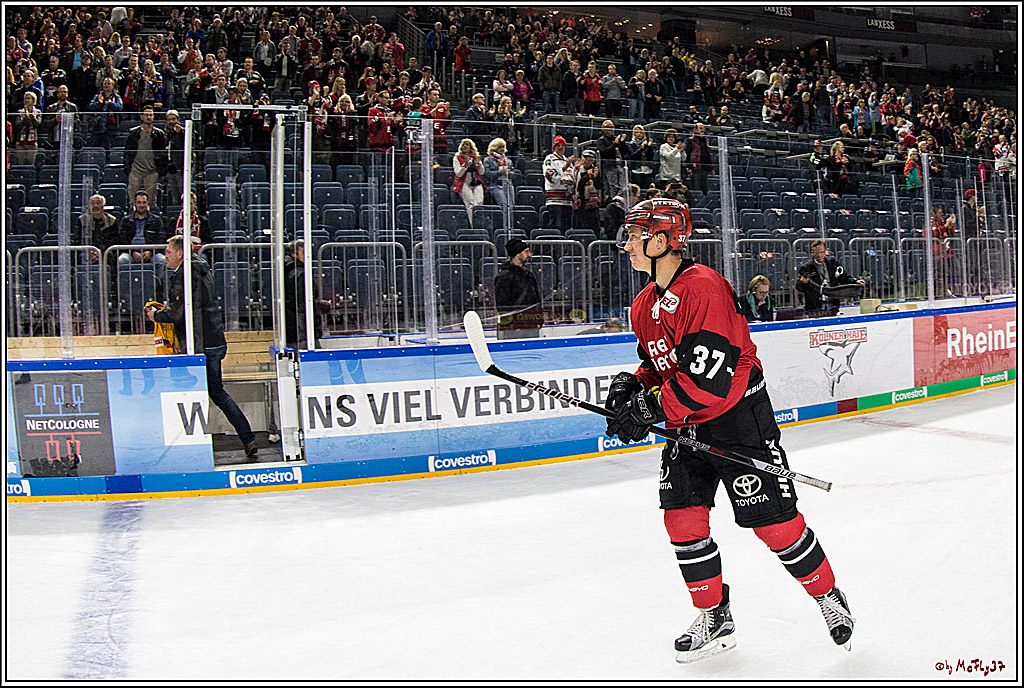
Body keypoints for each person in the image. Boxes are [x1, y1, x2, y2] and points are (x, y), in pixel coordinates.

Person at [605, 198, 853, 662]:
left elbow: (708, 382)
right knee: (682, 520)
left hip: (737, 420)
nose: (627, 245)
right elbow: (663, 364)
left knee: (776, 525)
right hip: (687, 426)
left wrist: (651, 407)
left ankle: (828, 597)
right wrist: (633, 388)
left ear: (661, 241)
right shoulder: (643, 304)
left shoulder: (704, 289)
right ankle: (715, 616)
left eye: (635, 235)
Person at [148, 235, 259, 460]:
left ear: (180, 253)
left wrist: (156, 315)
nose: (166, 255)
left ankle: (190, 446)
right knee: (218, 393)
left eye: (168, 251)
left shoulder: (183, 274)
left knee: (187, 391)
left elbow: (179, 313)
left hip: (198, 344)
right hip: (214, 339)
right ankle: (248, 438)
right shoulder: (202, 270)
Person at [283, 239, 332, 350]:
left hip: (295, 327)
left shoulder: (288, 271)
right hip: (302, 330)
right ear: (294, 254)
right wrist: (322, 306)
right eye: (304, 252)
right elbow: (303, 303)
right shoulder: (300, 274)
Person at [494, 238, 543, 340]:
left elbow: (536, 299)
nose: (529, 255)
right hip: (514, 328)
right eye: (526, 251)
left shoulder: (528, 275)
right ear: (518, 254)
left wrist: (539, 320)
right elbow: (502, 304)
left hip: (531, 325)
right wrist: (512, 324)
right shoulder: (504, 277)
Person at [796, 239, 864, 312]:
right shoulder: (806, 268)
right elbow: (798, 287)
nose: (819, 255)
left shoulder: (833, 264)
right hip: (814, 305)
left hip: (833, 303)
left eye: (822, 252)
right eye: (817, 253)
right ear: (812, 253)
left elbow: (844, 278)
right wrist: (803, 282)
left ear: (825, 252)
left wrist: (855, 281)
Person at [124, 104, 169, 209]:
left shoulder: (159, 134)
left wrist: (159, 171)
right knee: (133, 202)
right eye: (146, 115)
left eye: (151, 115)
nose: (149, 117)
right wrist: (128, 169)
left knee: (151, 202)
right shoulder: (133, 133)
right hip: (135, 171)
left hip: (152, 172)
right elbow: (127, 152)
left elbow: (163, 154)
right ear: (141, 116)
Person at [118, 190, 168, 282]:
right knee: (122, 260)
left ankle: (157, 289)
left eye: (144, 202)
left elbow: (161, 238)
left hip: (151, 252)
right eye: (139, 202)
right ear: (134, 204)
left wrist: (150, 252)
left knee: (161, 260)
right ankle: (125, 290)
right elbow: (122, 238)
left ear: (148, 204)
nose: (141, 205)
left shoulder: (156, 220)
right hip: (130, 253)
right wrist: (133, 252)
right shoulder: (126, 220)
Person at [543, 135, 575, 231]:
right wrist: (565, 167)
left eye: (562, 145)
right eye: (558, 145)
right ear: (554, 147)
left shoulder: (568, 161)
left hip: (568, 202)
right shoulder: (550, 159)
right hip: (555, 201)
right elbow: (551, 177)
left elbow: (572, 180)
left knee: (567, 229)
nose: (560, 147)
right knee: (556, 228)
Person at [453, 138, 486, 227]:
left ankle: (480, 224)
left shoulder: (476, 157)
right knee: (470, 204)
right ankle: (473, 225)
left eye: (467, 145)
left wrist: (478, 164)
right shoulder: (457, 158)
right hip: (464, 182)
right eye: (463, 145)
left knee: (478, 203)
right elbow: (458, 174)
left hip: (476, 181)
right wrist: (465, 165)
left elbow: (482, 172)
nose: (465, 146)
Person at [482, 137, 513, 216]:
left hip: (507, 185)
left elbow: (514, 173)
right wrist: (500, 172)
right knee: (504, 205)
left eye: (503, 147)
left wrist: (509, 173)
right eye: (499, 147)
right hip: (495, 185)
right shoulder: (488, 160)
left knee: (511, 206)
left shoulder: (508, 160)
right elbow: (488, 174)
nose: (502, 149)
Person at [684, 123, 713, 195]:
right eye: (700, 128)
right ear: (695, 130)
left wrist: (711, 168)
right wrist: (688, 167)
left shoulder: (705, 140)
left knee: (705, 188)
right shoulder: (690, 141)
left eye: (703, 128)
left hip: (705, 168)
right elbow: (686, 155)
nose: (702, 130)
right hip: (695, 168)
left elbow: (708, 154)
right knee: (696, 188)